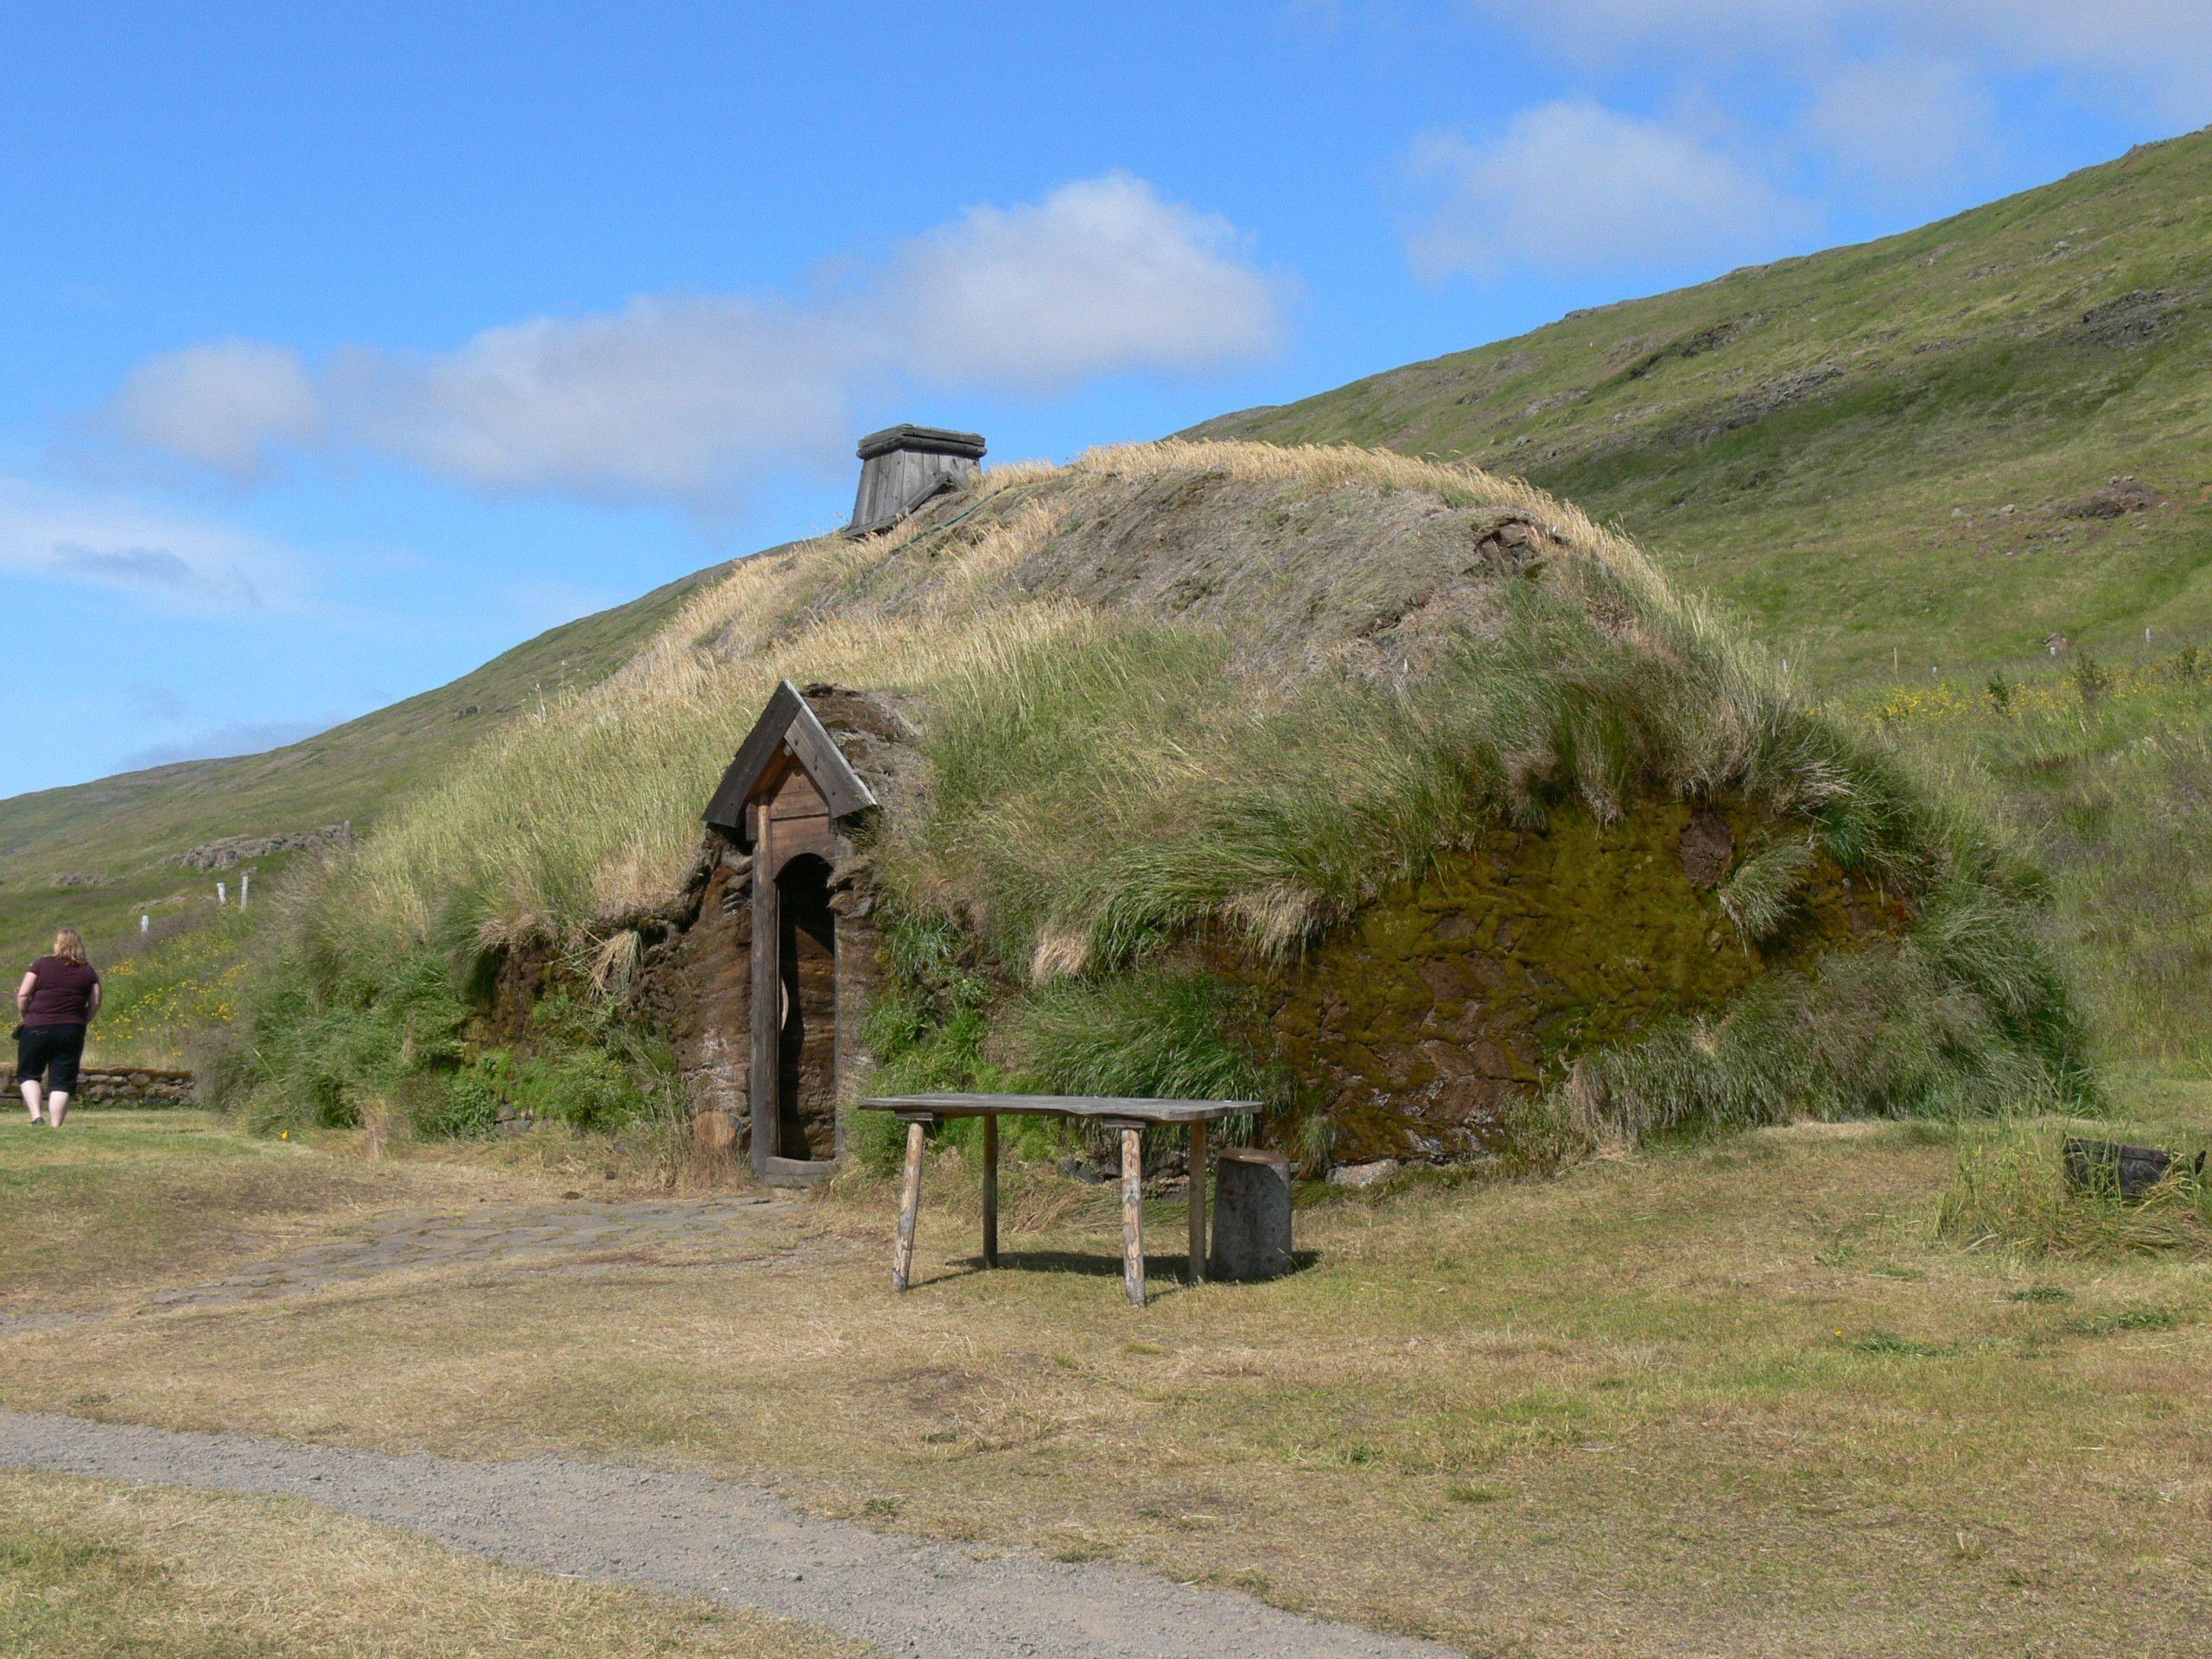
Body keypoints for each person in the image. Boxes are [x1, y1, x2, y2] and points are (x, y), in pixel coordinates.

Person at [17, 928, 100, 1128]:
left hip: (37, 1026)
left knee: (29, 1073)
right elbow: (96, 1002)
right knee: (62, 1080)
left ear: (58, 944)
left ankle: (37, 1116)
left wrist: (27, 1016)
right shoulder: (88, 970)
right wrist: (82, 1021)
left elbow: (23, 995)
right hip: (71, 1029)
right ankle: (56, 1125)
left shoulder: (41, 964)